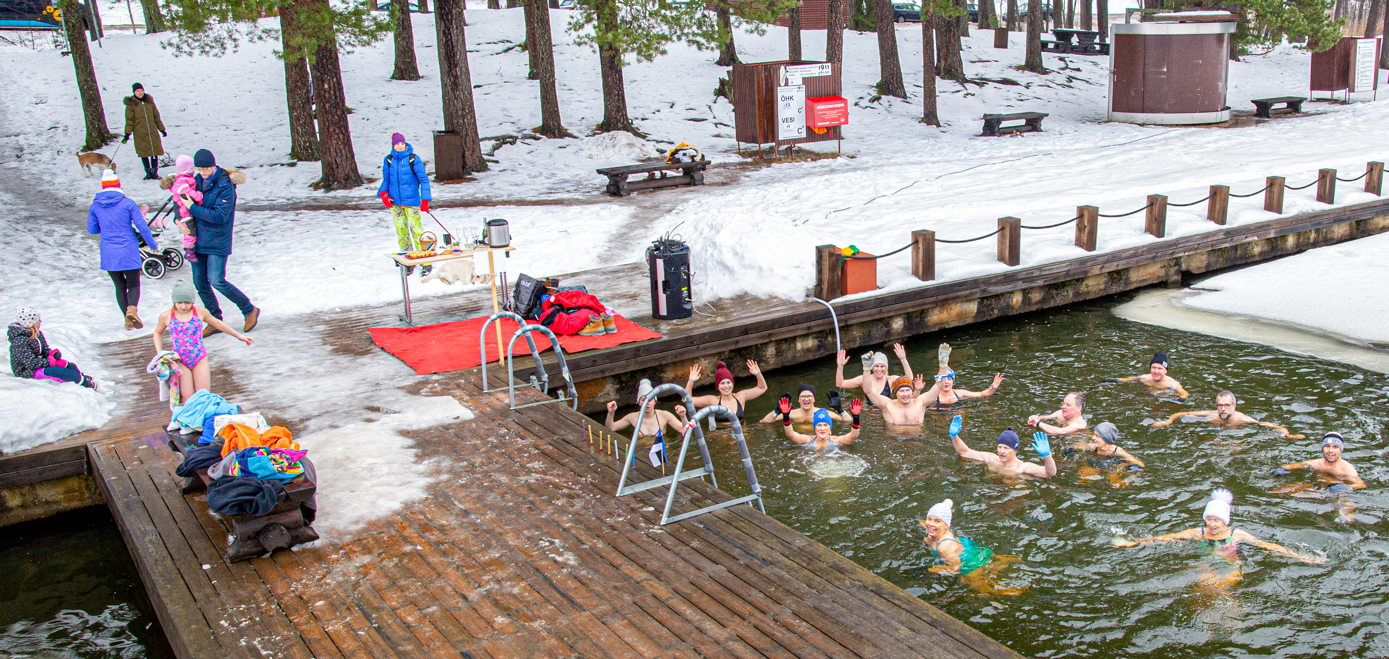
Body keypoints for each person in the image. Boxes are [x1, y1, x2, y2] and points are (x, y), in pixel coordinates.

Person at [1115, 488, 1324, 588]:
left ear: (1226, 522)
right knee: (1202, 589)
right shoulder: (1198, 533)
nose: (1212, 525)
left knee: (1220, 589)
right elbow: (1166, 537)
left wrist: (1301, 557)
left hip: (1230, 566)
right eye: (1209, 520)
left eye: (1217, 521)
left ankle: (1233, 617)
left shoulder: (1236, 534)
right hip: (1206, 565)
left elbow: (1267, 545)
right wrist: (1135, 542)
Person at [180, 149, 259, 336]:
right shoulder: (196, 181)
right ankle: (214, 320)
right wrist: (179, 220)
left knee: (216, 280)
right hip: (197, 238)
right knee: (200, 283)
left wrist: (192, 208)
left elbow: (220, 216)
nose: (203, 172)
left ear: (213, 165)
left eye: (206, 168)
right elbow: (180, 201)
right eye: (199, 169)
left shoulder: (225, 186)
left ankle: (249, 309)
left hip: (217, 239)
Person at [152, 280, 253, 404]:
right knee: (187, 398)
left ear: (192, 301)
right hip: (180, 360)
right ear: (174, 301)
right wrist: (159, 352)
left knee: (204, 396)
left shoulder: (200, 312)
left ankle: (204, 420)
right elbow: (157, 332)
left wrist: (238, 336)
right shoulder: (166, 316)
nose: (183, 306)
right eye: (179, 303)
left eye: (187, 303)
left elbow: (217, 323)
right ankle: (190, 421)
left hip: (199, 358)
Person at [87, 170, 157, 330]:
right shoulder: (128, 203)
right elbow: (141, 225)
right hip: (128, 249)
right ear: (118, 186)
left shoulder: (95, 206)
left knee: (119, 286)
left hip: (108, 252)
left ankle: (127, 320)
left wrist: (105, 227)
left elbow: (91, 229)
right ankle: (132, 309)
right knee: (133, 284)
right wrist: (151, 243)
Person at [918, 499, 1024, 596]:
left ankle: (1008, 591)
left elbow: (956, 569)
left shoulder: (944, 548)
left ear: (946, 526)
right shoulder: (932, 529)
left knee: (983, 590)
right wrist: (920, 522)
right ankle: (1011, 560)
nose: (930, 524)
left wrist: (931, 569)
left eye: (937, 521)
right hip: (967, 548)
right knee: (993, 566)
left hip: (970, 563)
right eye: (929, 519)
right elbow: (928, 525)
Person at [378, 133, 433, 275]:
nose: (400, 146)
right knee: (401, 231)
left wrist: (425, 199)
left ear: (405, 144)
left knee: (417, 231)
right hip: (395, 203)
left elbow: (423, 179)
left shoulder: (413, 159)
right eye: (397, 144)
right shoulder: (389, 160)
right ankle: (408, 261)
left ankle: (425, 262)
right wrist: (383, 194)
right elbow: (386, 180)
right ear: (393, 145)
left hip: (412, 202)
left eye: (402, 143)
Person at [1150, 390, 1304, 438]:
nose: (1223, 409)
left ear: (1234, 406)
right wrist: (1168, 421)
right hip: (1216, 434)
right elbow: (1182, 413)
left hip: (1235, 435)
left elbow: (1266, 425)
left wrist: (1288, 434)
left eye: (1226, 405)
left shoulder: (1241, 419)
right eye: (1220, 405)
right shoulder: (1211, 415)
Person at [8, 308, 96, 389]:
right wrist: (48, 362)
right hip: (27, 371)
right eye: (38, 320)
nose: (41, 321)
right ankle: (83, 383)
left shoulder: (37, 334)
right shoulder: (20, 341)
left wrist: (51, 354)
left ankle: (79, 377)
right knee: (56, 371)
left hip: (39, 363)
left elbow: (45, 349)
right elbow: (30, 363)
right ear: (31, 323)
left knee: (68, 365)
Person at [949, 417, 1057, 479]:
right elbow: (964, 452)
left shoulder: (1022, 468)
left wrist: (1047, 456)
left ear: (1015, 450)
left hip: (1013, 494)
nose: (1001, 451)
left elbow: (1049, 473)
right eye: (999, 447)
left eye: (1006, 448)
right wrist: (954, 436)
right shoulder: (991, 458)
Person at [1271, 432, 1364, 489]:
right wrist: (1281, 469)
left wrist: (1344, 487)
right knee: (1284, 490)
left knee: (1346, 507)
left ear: (1341, 450)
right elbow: (1293, 466)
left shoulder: (1347, 470)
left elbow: (1360, 485)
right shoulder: (1317, 463)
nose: (1330, 450)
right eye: (1327, 446)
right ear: (1322, 448)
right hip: (1318, 488)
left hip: (1338, 493)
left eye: (1335, 447)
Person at [605, 379, 688, 442]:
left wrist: (683, 416)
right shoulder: (632, 417)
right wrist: (611, 413)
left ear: (655, 401)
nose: (647, 403)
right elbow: (611, 428)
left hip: (661, 454)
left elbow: (684, 430)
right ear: (639, 403)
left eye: (650, 399)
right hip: (641, 453)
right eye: (643, 400)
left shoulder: (665, 415)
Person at [685, 360, 766, 424]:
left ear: (733, 384)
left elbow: (762, 388)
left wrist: (758, 374)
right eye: (722, 383)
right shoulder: (713, 400)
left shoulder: (741, 396)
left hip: (742, 434)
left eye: (728, 382)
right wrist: (691, 381)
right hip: (722, 436)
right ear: (718, 386)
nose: (726, 386)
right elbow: (687, 400)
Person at [1071, 421, 1143, 488]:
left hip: (1112, 466)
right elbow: (1077, 446)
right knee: (1081, 481)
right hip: (1094, 464)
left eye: (1097, 436)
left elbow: (1138, 463)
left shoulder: (1117, 451)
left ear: (1106, 439)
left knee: (1115, 485)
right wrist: (1070, 451)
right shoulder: (1093, 447)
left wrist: (1133, 468)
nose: (1093, 438)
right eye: (1094, 435)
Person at [835, 344, 913, 399]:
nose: (879, 369)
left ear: (886, 368)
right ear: (872, 367)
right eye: (876, 366)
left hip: (885, 412)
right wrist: (840, 366)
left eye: (882, 366)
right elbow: (840, 383)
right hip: (869, 413)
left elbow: (909, 379)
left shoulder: (891, 380)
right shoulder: (863, 379)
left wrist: (903, 359)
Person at [122, 83, 167, 180]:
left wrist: (162, 129)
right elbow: (129, 120)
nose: (140, 92)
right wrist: (127, 133)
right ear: (134, 92)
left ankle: (155, 172)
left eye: (141, 90)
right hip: (140, 133)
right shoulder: (131, 105)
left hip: (152, 131)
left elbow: (156, 117)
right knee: (144, 153)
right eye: (137, 91)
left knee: (154, 152)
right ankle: (148, 172)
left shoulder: (149, 102)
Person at [778, 399, 862, 449]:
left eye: (825, 425)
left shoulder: (837, 440)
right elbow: (790, 435)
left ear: (830, 428)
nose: (822, 428)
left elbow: (853, 436)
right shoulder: (807, 440)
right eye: (819, 425)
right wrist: (785, 416)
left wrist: (856, 418)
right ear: (814, 428)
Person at [168, 154, 202, 263]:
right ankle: (189, 251)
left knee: (190, 230)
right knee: (190, 231)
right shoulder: (181, 182)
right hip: (184, 212)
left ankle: (190, 248)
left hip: (185, 210)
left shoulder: (186, 179)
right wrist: (198, 196)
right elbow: (187, 192)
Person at [759, 384, 850, 424]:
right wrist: (777, 411)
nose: (806, 399)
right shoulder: (791, 414)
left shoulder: (822, 413)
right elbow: (764, 422)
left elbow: (848, 421)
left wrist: (840, 409)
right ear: (798, 399)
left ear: (814, 399)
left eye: (809, 396)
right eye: (803, 396)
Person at [1114, 350, 1189, 399]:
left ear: (1166, 370)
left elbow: (1185, 394)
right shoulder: (1146, 378)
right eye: (1154, 368)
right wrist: (1110, 381)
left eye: (1160, 368)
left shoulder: (1171, 383)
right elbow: (1128, 379)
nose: (1156, 371)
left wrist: (1175, 401)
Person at [864, 374, 933, 425]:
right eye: (901, 391)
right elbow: (868, 391)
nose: (905, 394)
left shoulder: (920, 403)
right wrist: (866, 368)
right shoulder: (887, 405)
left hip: (917, 439)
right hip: (894, 440)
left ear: (912, 391)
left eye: (907, 390)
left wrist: (942, 365)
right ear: (896, 392)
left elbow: (938, 387)